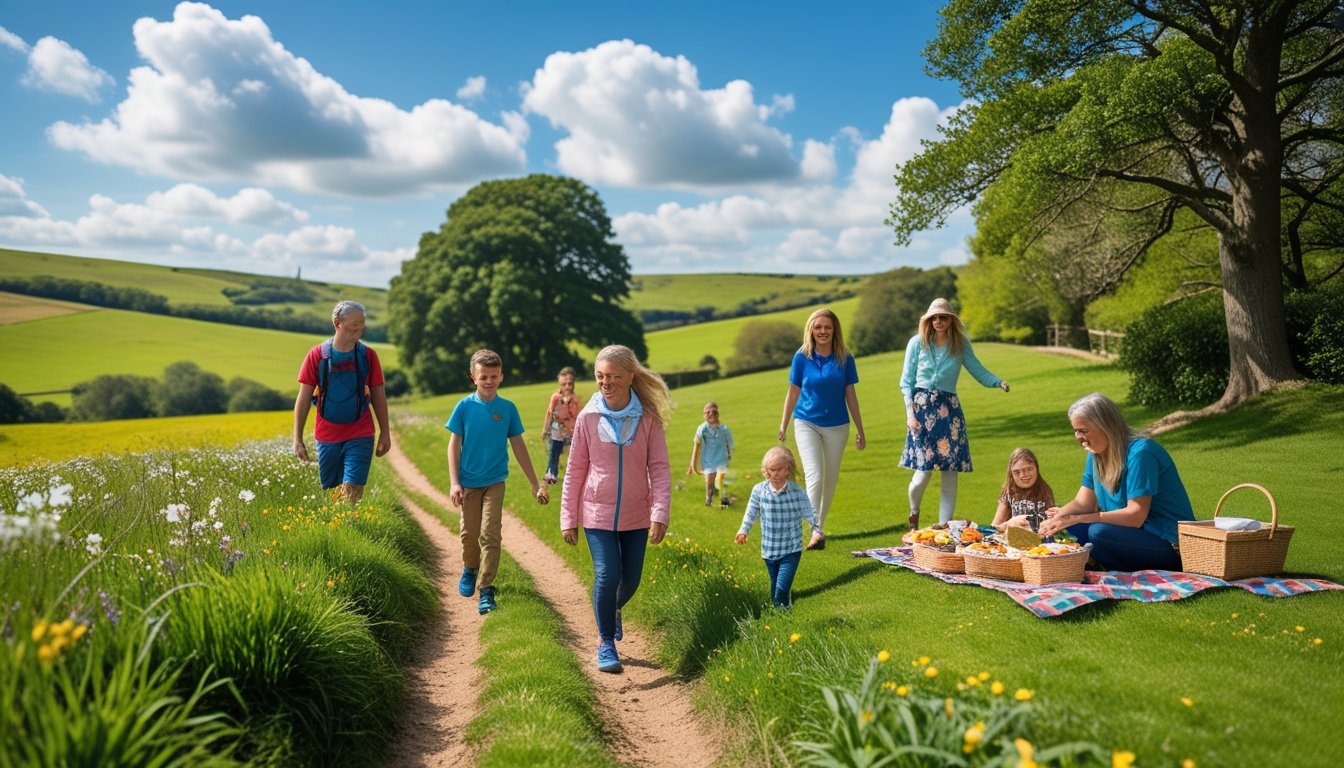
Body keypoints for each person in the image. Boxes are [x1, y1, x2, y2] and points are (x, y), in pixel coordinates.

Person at [560, 345, 672, 673]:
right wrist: (569, 517)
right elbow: (575, 470)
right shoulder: (587, 417)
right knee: (608, 575)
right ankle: (606, 641)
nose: (605, 382)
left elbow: (660, 469)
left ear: (630, 377)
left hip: (638, 514)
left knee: (631, 579)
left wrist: (660, 512)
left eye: (612, 376)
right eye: (600, 377)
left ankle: (613, 610)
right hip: (597, 513)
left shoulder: (648, 419)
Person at [1038, 392, 1195, 571]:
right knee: (1066, 529)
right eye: (1075, 430)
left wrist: (1077, 518)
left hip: (1169, 544)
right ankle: (1103, 564)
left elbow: (1135, 516)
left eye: (1083, 430)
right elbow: (1084, 503)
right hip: (1132, 536)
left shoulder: (1141, 453)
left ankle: (1106, 566)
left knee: (1098, 532)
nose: (1077, 436)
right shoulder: (1095, 454)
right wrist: (1057, 519)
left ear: (1106, 426)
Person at [446, 349, 548, 615]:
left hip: (495, 482)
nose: (489, 381)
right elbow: (453, 445)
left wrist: (534, 482)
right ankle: (470, 568)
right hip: (468, 483)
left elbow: (519, 447)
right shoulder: (464, 407)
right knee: (469, 534)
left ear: (501, 377)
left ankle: (486, 588)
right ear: (473, 377)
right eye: (483, 377)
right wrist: (454, 483)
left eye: (493, 376)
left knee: (490, 535)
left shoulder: (507, 409)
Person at [899, 298, 1010, 530]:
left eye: (943, 317)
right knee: (922, 475)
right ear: (928, 320)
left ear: (951, 320)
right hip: (922, 414)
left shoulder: (960, 344)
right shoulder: (917, 343)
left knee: (950, 475)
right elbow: (906, 382)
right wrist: (910, 414)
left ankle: (943, 528)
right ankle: (913, 515)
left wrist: (997, 382)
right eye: (934, 318)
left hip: (950, 413)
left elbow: (977, 369)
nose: (938, 321)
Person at [777, 308, 865, 551]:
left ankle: (818, 526)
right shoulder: (801, 357)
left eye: (827, 327)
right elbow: (793, 391)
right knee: (814, 474)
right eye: (818, 327)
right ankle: (814, 531)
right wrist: (783, 424)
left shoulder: (845, 358)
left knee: (830, 480)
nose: (823, 331)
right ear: (811, 330)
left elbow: (851, 395)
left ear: (835, 329)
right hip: (806, 422)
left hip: (838, 426)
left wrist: (860, 429)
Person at [293, 300, 391, 505]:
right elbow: (303, 398)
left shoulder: (368, 356)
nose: (359, 329)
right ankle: (338, 531)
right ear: (337, 323)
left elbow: (379, 396)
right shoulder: (317, 355)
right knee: (332, 492)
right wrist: (298, 439)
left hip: (360, 432)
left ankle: (351, 525)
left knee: (353, 488)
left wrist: (385, 432)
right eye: (354, 324)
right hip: (327, 435)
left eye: (362, 324)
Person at [735, 446, 822, 609]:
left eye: (777, 470)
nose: (773, 474)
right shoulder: (759, 491)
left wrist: (816, 530)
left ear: (787, 470)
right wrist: (743, 530)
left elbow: (809, 512)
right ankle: (779, 608)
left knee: (781, 588)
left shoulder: (796, 492)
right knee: (775, 585)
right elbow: (751, 512)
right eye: (770, 470)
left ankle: (783, 614)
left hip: (791, 549)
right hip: (769, 549)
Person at [991, 448, 1056, 533]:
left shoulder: (1044, 490)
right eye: (1017, 472)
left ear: (1037, 468)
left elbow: (1054, 522)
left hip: (1040, 540)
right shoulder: (1008, 492)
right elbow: (995, 527)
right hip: (1014, 541)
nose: (1023, 475)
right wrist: (1010, 523)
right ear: (1011, 474)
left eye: (1029, 469)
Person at [688, 401, 735, 508]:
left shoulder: (724, 429)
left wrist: (730, 454)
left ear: (718, 413)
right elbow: (697, 445)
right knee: (709, 481)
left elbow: (730, 444)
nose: (711, 414)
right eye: (707, 412)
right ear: (703, 415)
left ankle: (724, 500)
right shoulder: (702, 429)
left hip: (722, 459)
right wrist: (692, 464)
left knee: (720, 480)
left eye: (714, 411)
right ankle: (709, 498)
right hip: (708, 460)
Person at [541, 366, 581, 485]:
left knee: (573, 454)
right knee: (554, 453)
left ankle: (573, 475)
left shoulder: (575, 399)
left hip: (571, 431)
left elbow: (578, 417)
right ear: (560, 383)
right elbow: (549, 413)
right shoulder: (556, 397)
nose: (567, 387)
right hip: (557, 430)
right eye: (564, 384)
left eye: (569, 383)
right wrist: (545, 429)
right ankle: (551, 474)